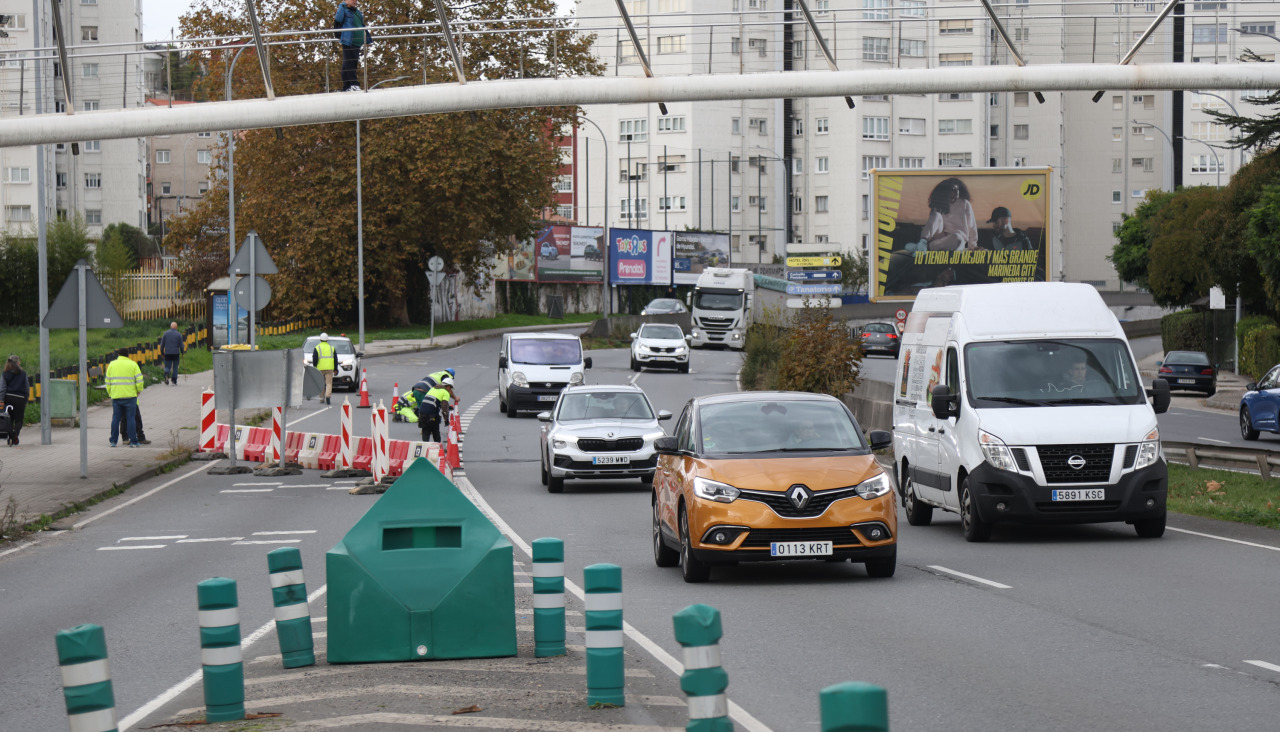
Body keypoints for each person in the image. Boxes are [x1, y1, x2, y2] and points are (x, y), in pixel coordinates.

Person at [921, 178, 980, 252]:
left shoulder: (965, 203)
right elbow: (932, 223)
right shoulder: (940, 203)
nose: (956, 192)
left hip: (955, 239)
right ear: (946, 191)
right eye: (953, 189)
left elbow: (972, 226)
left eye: (957, 189)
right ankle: (922, 242)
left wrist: (973, 246)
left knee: (957, 238)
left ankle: (928, 247)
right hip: (939, 237)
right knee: (936, 215)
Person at [105, 352, 144, 447]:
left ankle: (113, 441)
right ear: (128, 355)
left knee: (115, 419)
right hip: (130, 397)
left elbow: (107, 381)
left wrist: (111, 393)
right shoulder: (133, 364)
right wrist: (138, 391)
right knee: (130, 418)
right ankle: (133, 441)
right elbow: (139, 381)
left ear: (119, 354)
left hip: (116, 397)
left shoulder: (112, 364)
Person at [335, 0, 372, 92]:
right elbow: (338, 20)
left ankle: (347, 86)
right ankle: (353, 84)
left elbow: (360, 24)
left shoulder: (357, 11)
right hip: (349, 40)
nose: (355, 1)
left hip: (357, 41)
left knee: (350, 62)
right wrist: (342, 5)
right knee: (350, 62)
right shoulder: (343, 9)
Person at [2, 355, 29, 446]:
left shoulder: (5, 374)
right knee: (19, 420)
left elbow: (2, 388)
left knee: (9, 419)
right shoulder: (23, 373)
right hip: (20, 399)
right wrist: (25, 399)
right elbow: (26, 388)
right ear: (18, 363)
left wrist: (1, 400)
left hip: (8, 398)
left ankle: (10, 437)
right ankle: (15, 435)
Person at [313, 333, 338, 405]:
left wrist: (315, 366)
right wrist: (335, 369)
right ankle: (328, 396)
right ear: (327, 340)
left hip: (320, 368)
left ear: (320, 339)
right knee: (329, 383)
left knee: (321, 383)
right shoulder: (332, 348)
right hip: (329, 368)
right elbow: (335, 359)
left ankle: (321, 398)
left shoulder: (317, 348)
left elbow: (315, 359)